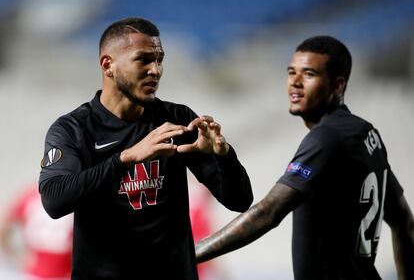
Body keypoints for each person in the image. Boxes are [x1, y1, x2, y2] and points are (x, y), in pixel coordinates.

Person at [38, 17, 253, 280]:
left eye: (159, 59)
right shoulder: (73, 129)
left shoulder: (177, 118)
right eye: (144, 59)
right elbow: (54, 200)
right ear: (108, 65)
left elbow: (239, 200)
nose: (156, 70)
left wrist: (223, 155)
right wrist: (126, 158)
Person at [195, 36, 414, 279]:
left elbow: (267, 212)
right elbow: (404, 221)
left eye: (309, 74)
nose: (295, 83)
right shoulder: (364, 133)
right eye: (292, 73)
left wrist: (188, 253)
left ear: (338, 85)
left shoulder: (326, 138)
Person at [0, 183, 72, 280]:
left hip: (38, 272)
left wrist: (17, 257)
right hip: (60, 272)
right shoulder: (74, 195)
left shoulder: (30, 195)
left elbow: (4, 225)